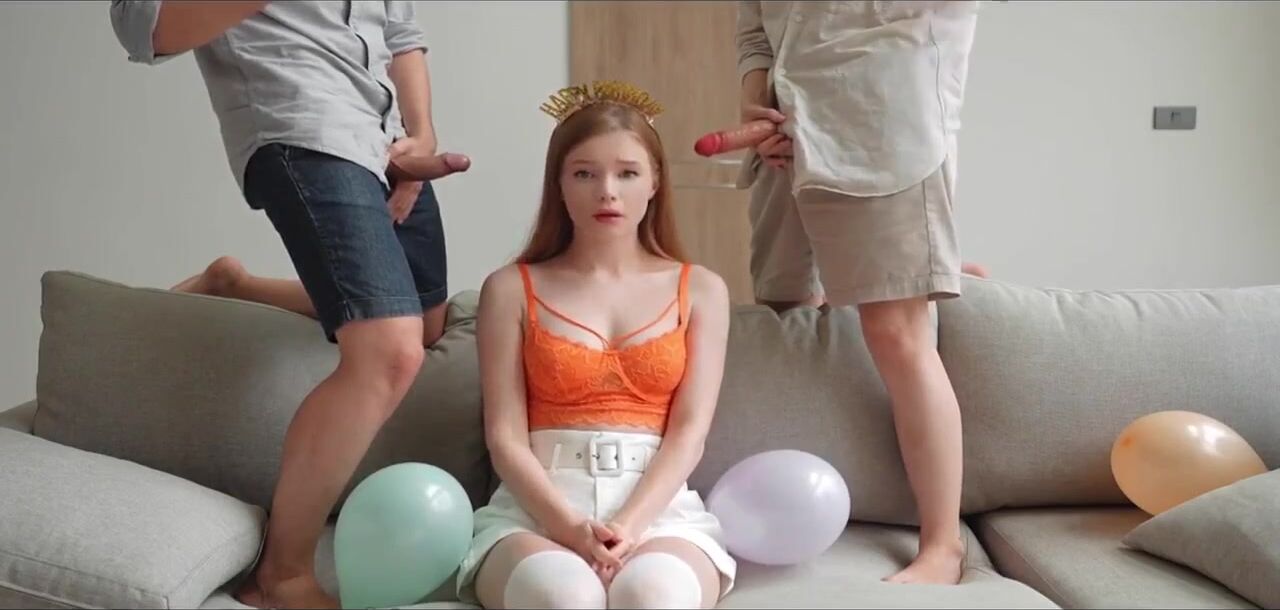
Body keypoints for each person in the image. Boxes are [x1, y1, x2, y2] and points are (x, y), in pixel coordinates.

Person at [108, 2, 462, 607]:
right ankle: (282, 574)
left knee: (428, 326)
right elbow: (144, 26)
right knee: (389, 351)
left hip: (384, 138)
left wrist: (421, 134)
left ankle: (233, 284)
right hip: (303, 129)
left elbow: (401, 33)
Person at [455, 81, 736, 609]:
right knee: (564, 597)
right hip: (536, 511)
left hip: (659, 513)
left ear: (655, 182)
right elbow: (505, 435)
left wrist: (629, 526)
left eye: (627, 173)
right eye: (584, 173)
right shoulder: (510, 288)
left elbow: (689, 431)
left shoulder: (702, 289)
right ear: (558, 184)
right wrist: (567, 527)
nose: (607, 191)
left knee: (652, 596)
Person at [734, 0, 983, 585]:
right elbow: (755, 31)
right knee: (787, 325)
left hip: (883, 142)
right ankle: (807, 505)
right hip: (784, 148)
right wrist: (756, 111)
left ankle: (943, 546)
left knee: (896, 334)